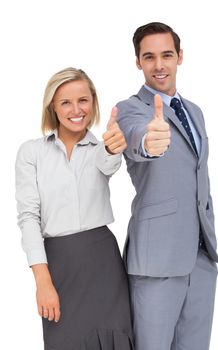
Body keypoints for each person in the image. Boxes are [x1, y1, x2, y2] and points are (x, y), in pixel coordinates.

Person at [116, 22, 218, 350]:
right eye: (149, 57)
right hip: (157, 260)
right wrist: (150, 141)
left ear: (179, 57)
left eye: (166, 55)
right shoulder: (131, 110)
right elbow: (137, 139)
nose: (159, 65)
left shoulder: (195, 112)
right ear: (138, 62)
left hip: (201, 257)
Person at [15, 67, 133, 350]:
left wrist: (113, 149)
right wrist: (43, 282)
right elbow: (29, 217)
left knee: (113, 340)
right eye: (65, 102)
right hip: (59, 265)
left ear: (93, 102)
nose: (76, 109)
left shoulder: (101, 149)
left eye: (83, 100)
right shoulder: (32, 153)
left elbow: (108, 163)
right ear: (52, 108)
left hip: (103, 262)